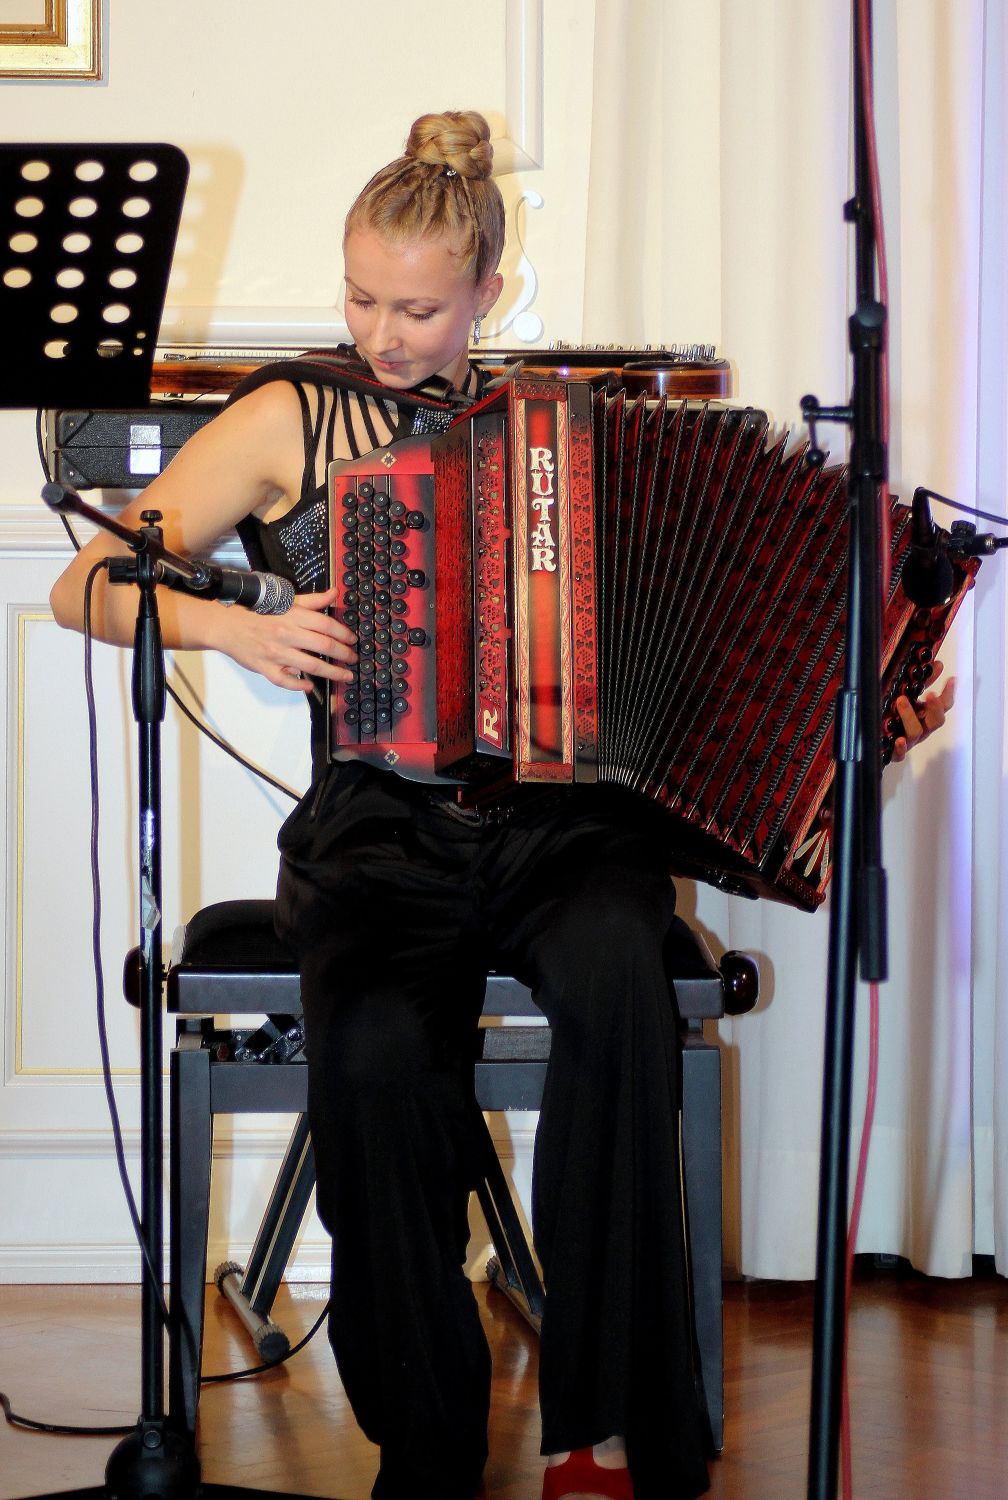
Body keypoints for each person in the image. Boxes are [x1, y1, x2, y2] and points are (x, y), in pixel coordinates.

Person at [50, 110, 953, 1500]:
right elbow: (86, 586)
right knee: (369, 1054)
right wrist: (241, 629)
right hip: (376, 827)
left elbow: (711, 643)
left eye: (417, 308)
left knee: (619, 986)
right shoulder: (291, 414)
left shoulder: (559, 436)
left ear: (488, 288)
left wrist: (870, 707)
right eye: (361, 296)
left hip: (559, 825)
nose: (381, 332)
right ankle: (429, 1439)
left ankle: (604, 1427)